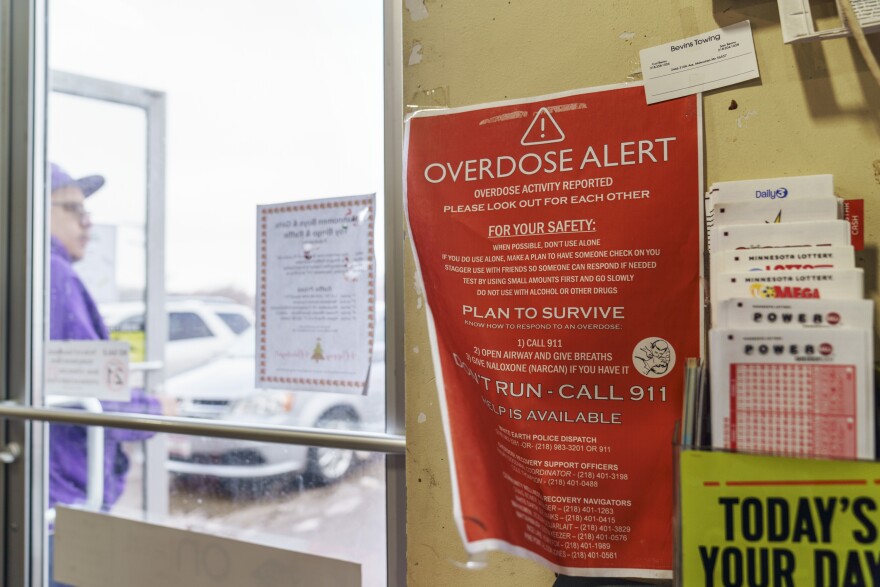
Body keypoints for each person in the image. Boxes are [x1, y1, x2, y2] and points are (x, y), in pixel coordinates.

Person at [48, 163, 166, 585]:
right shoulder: (53, 275)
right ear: (34, 208)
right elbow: (95, 392)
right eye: (73, 208)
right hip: (59, 500)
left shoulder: (30, 273)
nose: (87, 222)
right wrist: (157, 409)